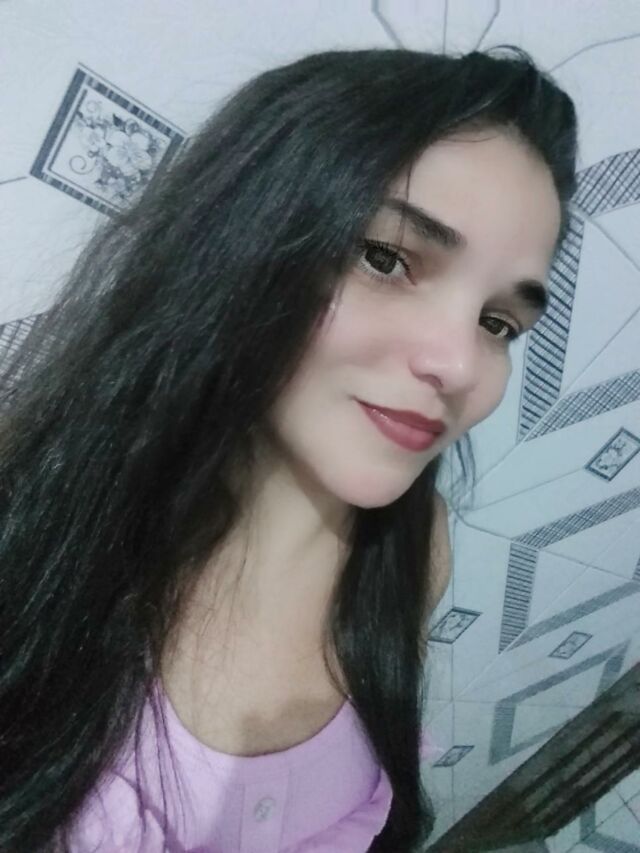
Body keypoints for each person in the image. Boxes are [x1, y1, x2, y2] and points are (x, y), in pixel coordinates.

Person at [0, 44, 577, 852]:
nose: (459, 365)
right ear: (244, 235)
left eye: (497, 322)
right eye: (386, 258)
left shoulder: (418, 546)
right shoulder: (33, 530)